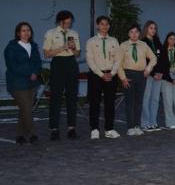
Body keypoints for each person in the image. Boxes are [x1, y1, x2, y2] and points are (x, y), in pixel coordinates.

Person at [43, 10, 81, 140]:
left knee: (72, 96)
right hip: (58, 63)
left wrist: (73, 49)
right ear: (60, 21)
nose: (69, 25)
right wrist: (62, 48)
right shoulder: (50, 33)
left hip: (71, 63)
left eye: (70, 23)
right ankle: (54, 129)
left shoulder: (74, 33)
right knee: (56, 97)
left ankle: (72, 128)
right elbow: (46, 54)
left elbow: (77, 54)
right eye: (66, 23)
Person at [4, 22, 41, 144]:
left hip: (32, 83)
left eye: (28, 30)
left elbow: (37, 62)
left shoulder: (33, 46)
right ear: (18, 33)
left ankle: (20, 136)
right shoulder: (11, 47)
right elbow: (12, 66)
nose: (26, 33)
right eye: (23, 30)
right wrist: (28, 74)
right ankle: (33, 134)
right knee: (27, 109)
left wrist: (35, 72)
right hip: (17, 83)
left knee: (25, 109)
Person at [117, 24, 157, 136]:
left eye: (136, 32)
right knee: (130, 102)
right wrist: (123, 78)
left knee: (139, 102)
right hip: (128, 74)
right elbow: (118, 63)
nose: (134, 34)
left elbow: (153, 58)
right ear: (128, 34)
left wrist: (148, 69)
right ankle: (130, 127)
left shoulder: (143, 45)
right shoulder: (123, 45)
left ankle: (137, 126)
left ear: (139, 33)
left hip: (141, 75)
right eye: (131, 32)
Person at [85, 16, 121, 140]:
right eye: (102, 24)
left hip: (111, 75)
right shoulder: (91, 42)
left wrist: (113, 73)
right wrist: (101, 74)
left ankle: (109, 129)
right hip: (96, 75)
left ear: (109, 26)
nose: (104, 26)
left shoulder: (114, 41)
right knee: (94, 102)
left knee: (110, 103)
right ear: (97, 26)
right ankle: (94, 129)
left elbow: (118, 59)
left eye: (106, 24)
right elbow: (90, 61)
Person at [157, 32, 175, 129]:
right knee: (168, 102)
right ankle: (170, 122)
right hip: (167, 79)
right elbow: (161, 66)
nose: (172, 41)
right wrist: (170, 79)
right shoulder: (163, 51)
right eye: (170, 39)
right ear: (167, 40)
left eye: (174, 39)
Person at [140, 21, 163, 132]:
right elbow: (145, 60)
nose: (153, 30)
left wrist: (160, 72)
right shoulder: (142, 42)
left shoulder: (158, 41)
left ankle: (153, 122)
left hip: (158, 75)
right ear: (146, 29)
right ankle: (145, 123)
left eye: (154, 28)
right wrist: (153, 73)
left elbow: (162, 58)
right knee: (146, 98)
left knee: (155, 99)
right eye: (151, 28)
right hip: (147, 74)